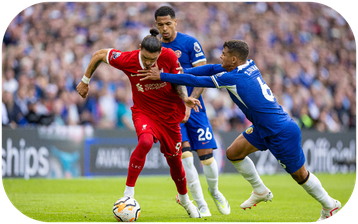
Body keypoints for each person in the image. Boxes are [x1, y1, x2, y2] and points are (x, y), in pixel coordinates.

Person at [137, 39, 341, 222]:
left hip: (280, 131)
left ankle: (330, 205)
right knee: (234, 153)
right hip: (264, 127)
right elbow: (209, 69)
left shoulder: (234, 78)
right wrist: (177, 72)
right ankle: (260, 190)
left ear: (234, 59)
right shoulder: (247, 66)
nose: (220, 56)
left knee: (300, 176)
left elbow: (199, 82)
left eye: (224, 54)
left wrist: (163, 76)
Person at [76, 28, 202, 218]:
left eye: (154, 59)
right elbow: (100, 54)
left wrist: (185, 99)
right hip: (144, 113)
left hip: (168, 117)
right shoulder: (129, 59)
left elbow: (177, 82)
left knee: (175, 162)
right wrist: (85, 81)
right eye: (146, 57)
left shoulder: (168, 56)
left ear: (160, 52)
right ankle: (128, 195)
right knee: (144, 142)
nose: (150, 63)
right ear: (140, 48)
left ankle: (185, 200)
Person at [153, 6, 230, 217]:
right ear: (156, 26)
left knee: (206, 158)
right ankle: (201, 204)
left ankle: (214, 192)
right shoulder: (155, 47)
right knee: (185, 157)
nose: (165, 28)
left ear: (175, 22)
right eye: (160, 25)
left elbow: (202, 77)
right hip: (171, 111)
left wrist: (189, 103)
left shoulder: (190, 43)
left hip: (195, 107)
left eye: (168, 23)